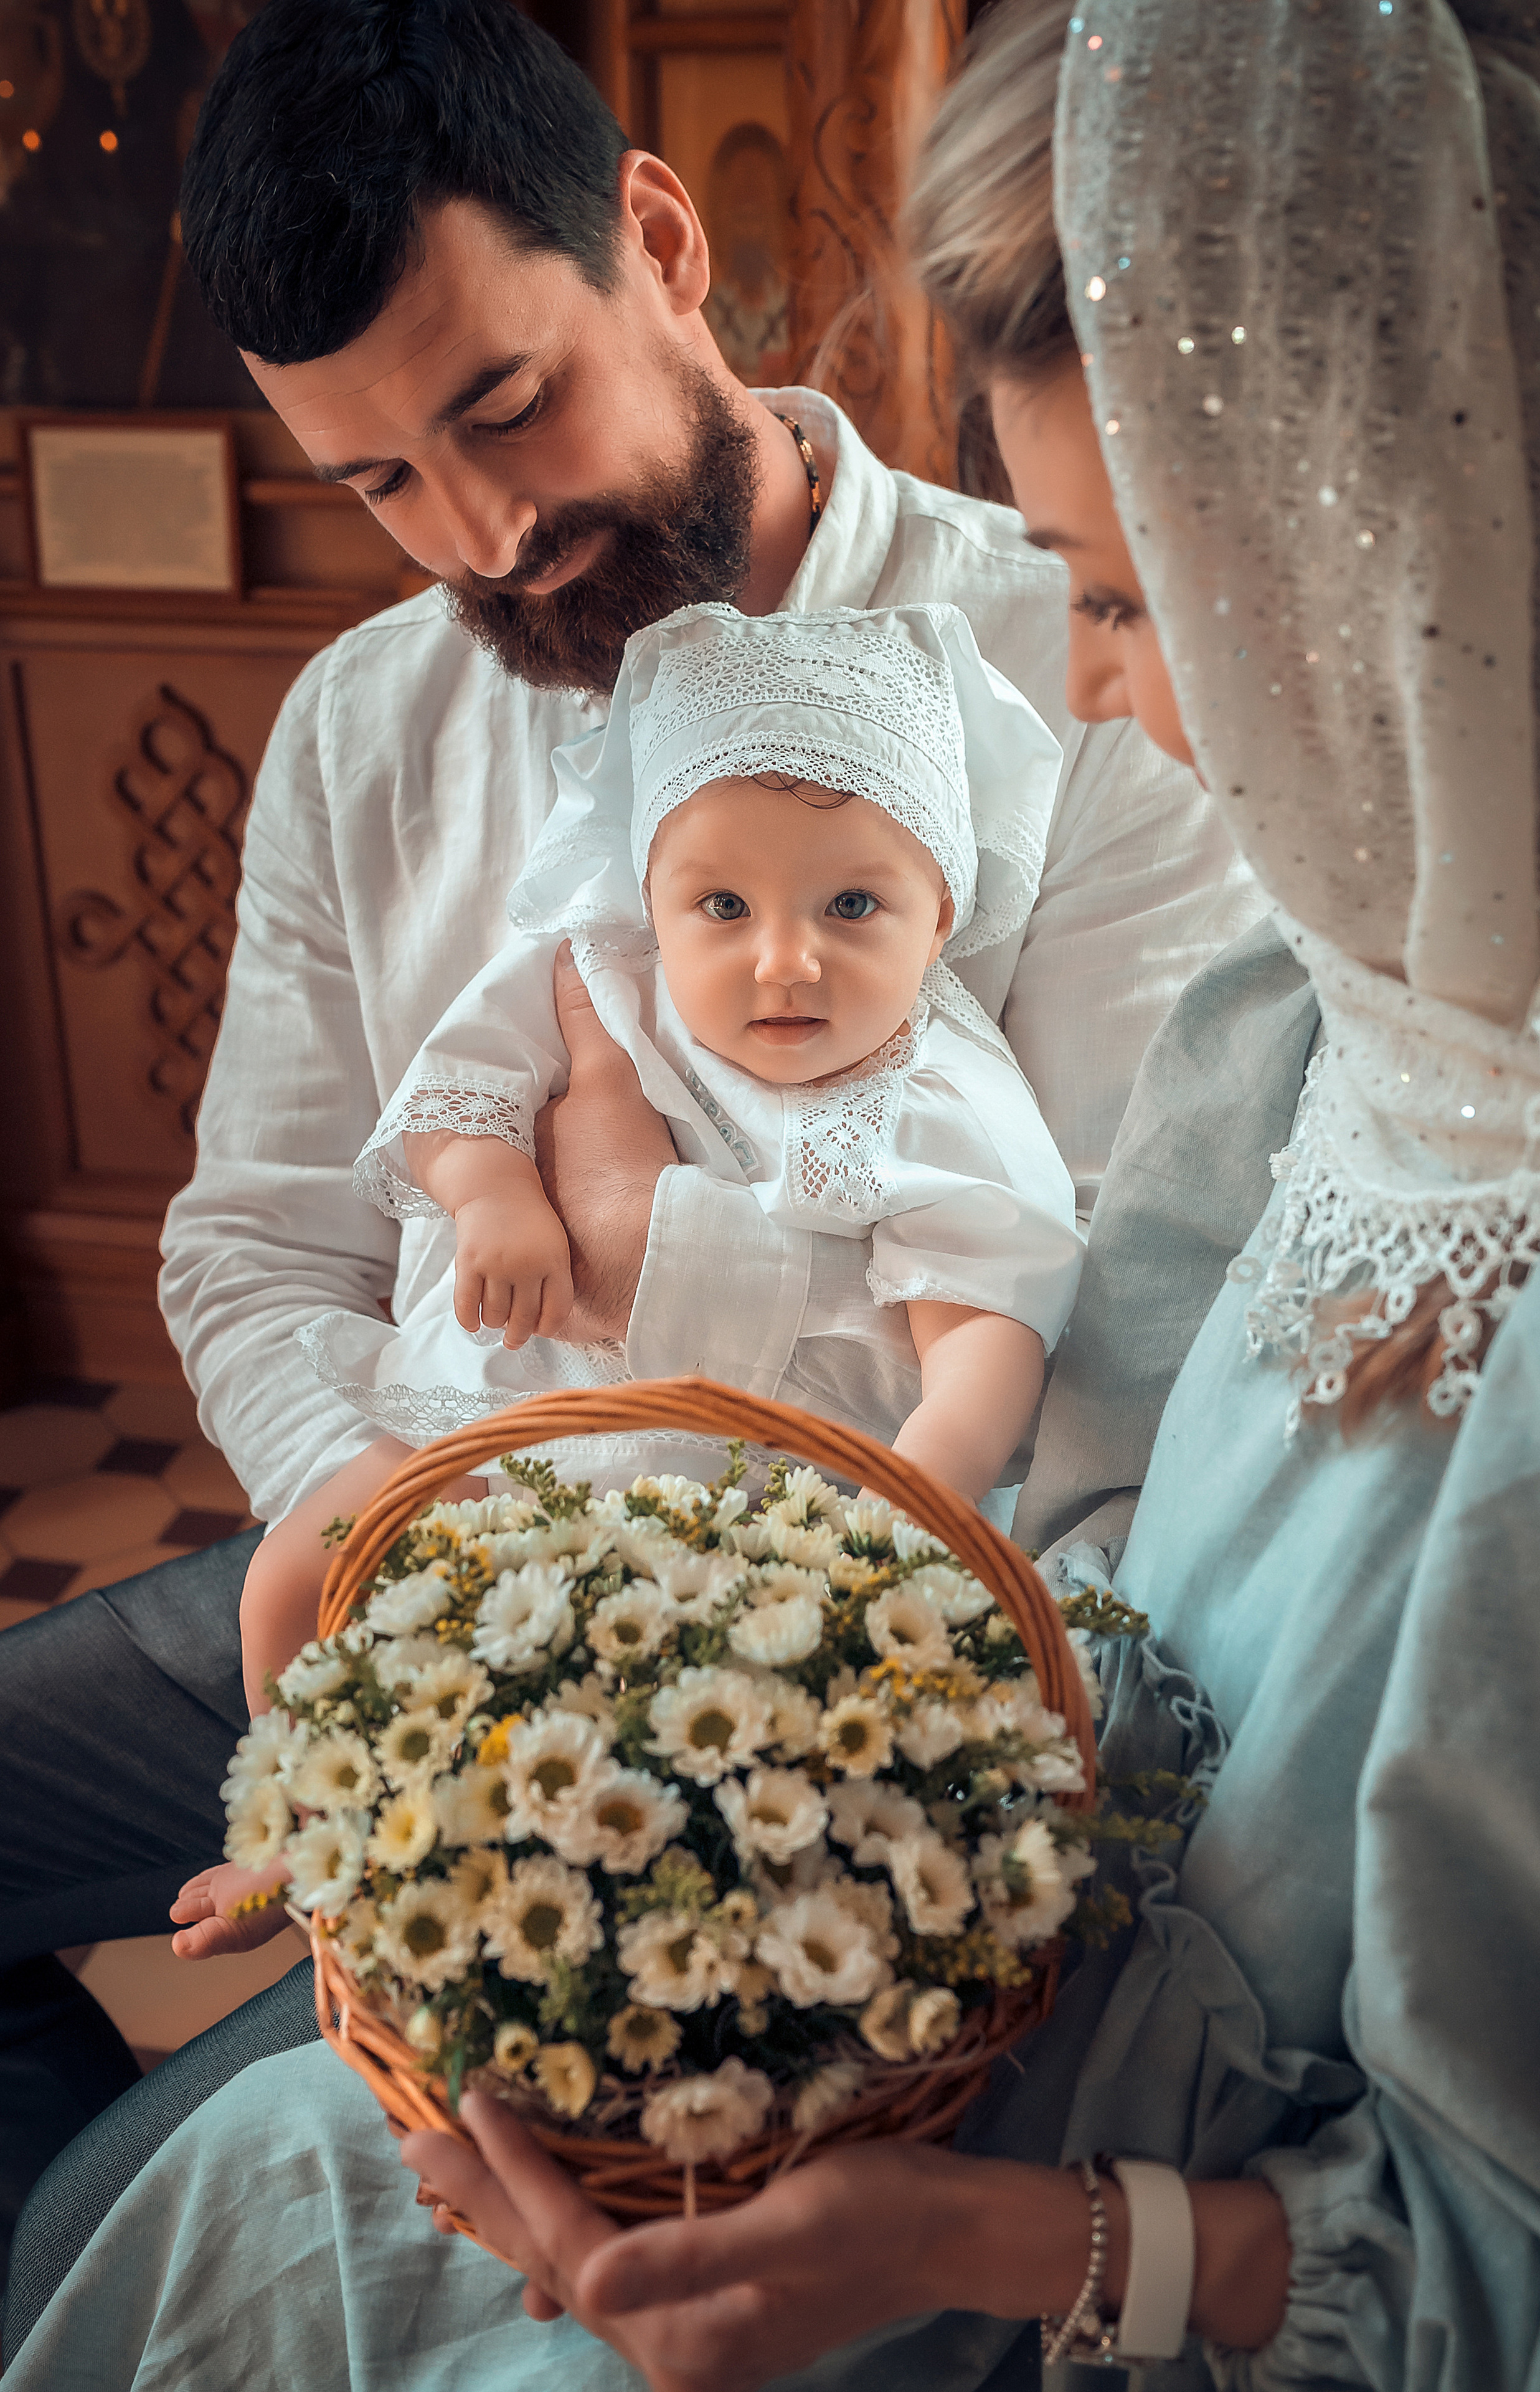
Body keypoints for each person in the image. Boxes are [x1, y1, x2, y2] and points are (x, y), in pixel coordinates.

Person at [11, 0, 1540, 2383]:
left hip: (821, 1613)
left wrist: (656, 1243)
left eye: (506, 410)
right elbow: (255, 1237)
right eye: (378, 486)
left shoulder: (1065, 688)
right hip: (411, 1524)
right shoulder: (371, 714)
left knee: (173, 2199)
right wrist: (350, 1503)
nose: (480, 535)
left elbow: (1040, 1311)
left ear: (660, 241)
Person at [176, 597, 1084, 1957]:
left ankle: (480, 1887)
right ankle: (290, 1826)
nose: (784, 957)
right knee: (299, 1570)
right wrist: (491, 1197)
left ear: (940, 907)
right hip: (511, 1417)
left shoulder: (940, 1091)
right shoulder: (593, 972)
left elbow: (984, 1336)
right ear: (648, 894)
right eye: (720, 904)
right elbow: (453, 1097)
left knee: (632, 1734)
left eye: (852, 904)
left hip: (760, 1491)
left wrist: (910, 1510)